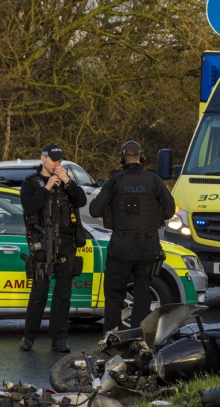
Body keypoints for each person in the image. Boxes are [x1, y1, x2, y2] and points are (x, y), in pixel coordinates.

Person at [89, 141, 175, 331]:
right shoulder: (153, 180)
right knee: (143, 293)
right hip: (147, 247)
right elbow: (169, 210)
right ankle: (139, 337)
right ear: (141, 158)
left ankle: (111, 336)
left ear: (123, 159)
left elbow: (95, 210)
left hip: (120, 248)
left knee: (114, 294)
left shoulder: (115, 180)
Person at [19, 144, 87, 353]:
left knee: (63, 293)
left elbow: (82, 201)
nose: (57, 165)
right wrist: (47, 187)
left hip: (66, 243)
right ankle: (29, 337)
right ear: (43, 159)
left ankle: (59, 339)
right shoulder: (31, 183)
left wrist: (67, 181)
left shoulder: (68, 183)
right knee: (39, 291)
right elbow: (29, 206)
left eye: (59, 162)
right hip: (43, 243)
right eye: (53, 161)